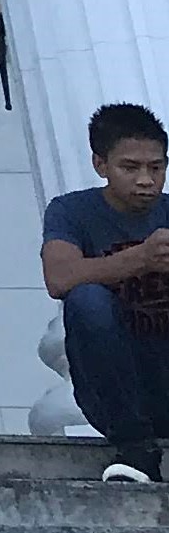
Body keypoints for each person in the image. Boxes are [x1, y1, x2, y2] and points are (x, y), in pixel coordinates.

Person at [42, 99, 169, 483]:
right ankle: (136, 450)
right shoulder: (71, 212)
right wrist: (142, 257)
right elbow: (59, 280)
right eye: (130, 168)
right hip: (118, 387)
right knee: (86, 299)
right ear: (101, 165)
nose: (146, 180)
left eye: (157, 167)